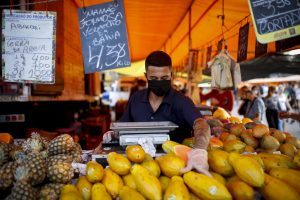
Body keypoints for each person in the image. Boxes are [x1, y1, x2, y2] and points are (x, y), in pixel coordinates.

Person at [95, 50, 211, 175]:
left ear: (171, 75)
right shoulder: (136, 99)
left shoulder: (182, 101)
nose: (159, 82)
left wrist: (199, 150)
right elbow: (123, 128)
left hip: (177, 169)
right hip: (139, 168)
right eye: (154, 78)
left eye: (164, 78)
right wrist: (111, 137)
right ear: (146, 76)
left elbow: (201, 124)